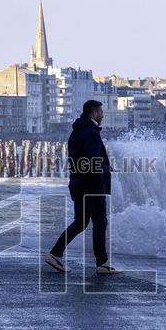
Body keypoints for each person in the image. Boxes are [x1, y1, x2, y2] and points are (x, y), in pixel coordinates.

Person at [44, 100, 118, 275]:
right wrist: (102, 177)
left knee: (80, 223)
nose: (103, 115)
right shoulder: (91, 133)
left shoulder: (77, 133)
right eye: (101, 112)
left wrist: (105, 167)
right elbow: (92, 162)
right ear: (93, 113)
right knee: (100, 222)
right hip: (91, 187)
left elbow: (83, 161)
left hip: (78, 185)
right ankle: (102, 263)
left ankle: (55, 254)